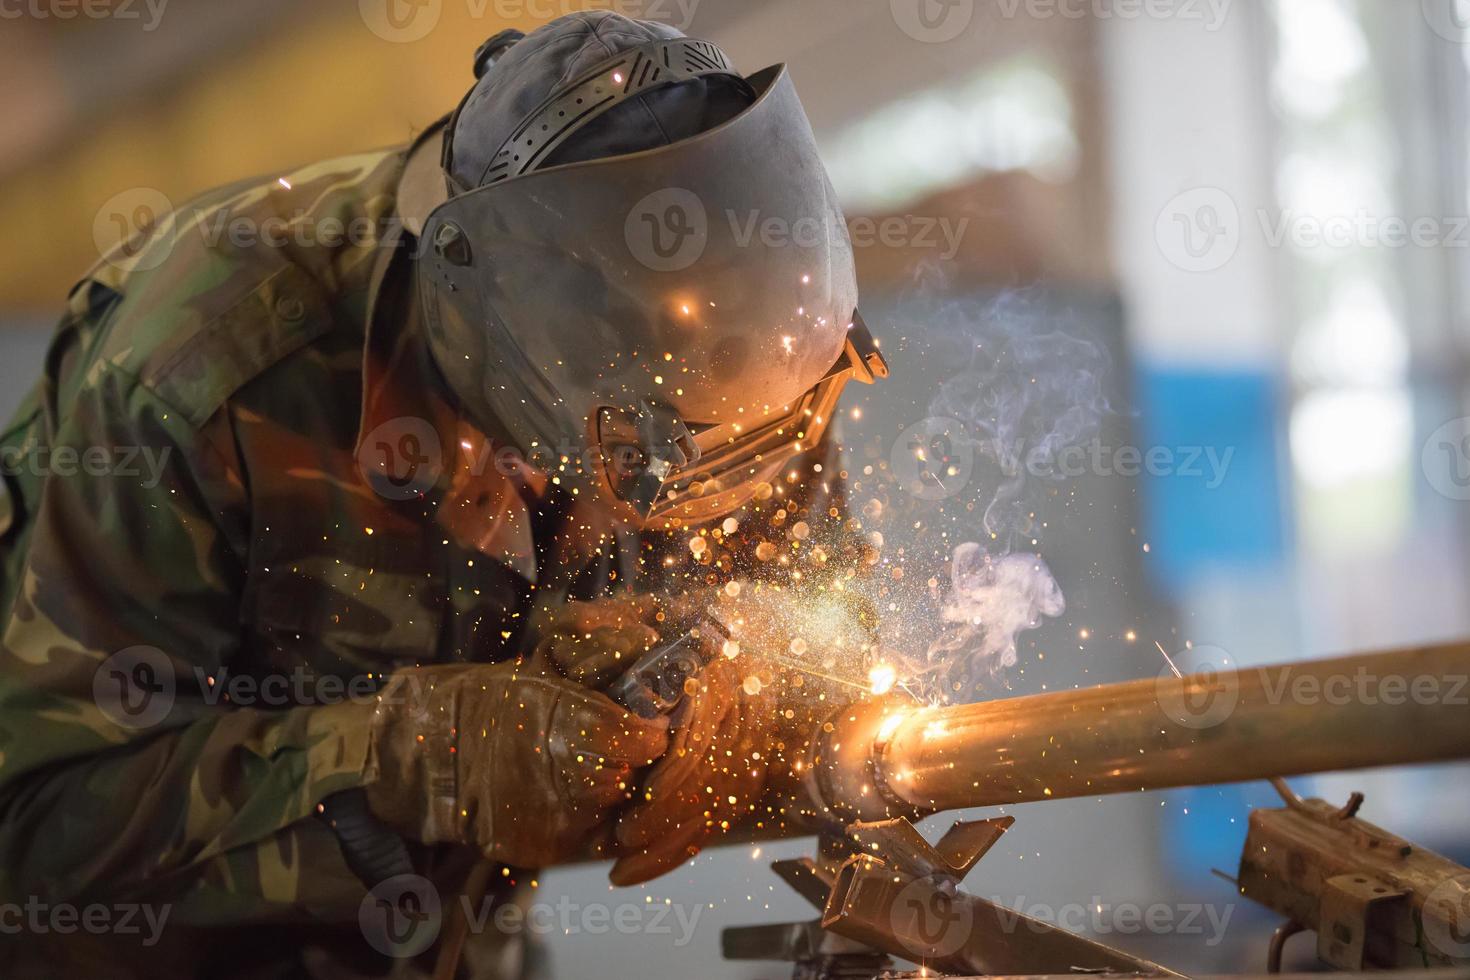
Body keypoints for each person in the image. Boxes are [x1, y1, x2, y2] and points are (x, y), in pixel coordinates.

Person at [0, 11, 885, 977]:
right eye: (634, 434)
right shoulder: (204, 373)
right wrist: (407, 762)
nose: (700, 466)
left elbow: (833, 621)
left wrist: (755, 670)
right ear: (506, 318)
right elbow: (35, 835)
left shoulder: (744, 348)